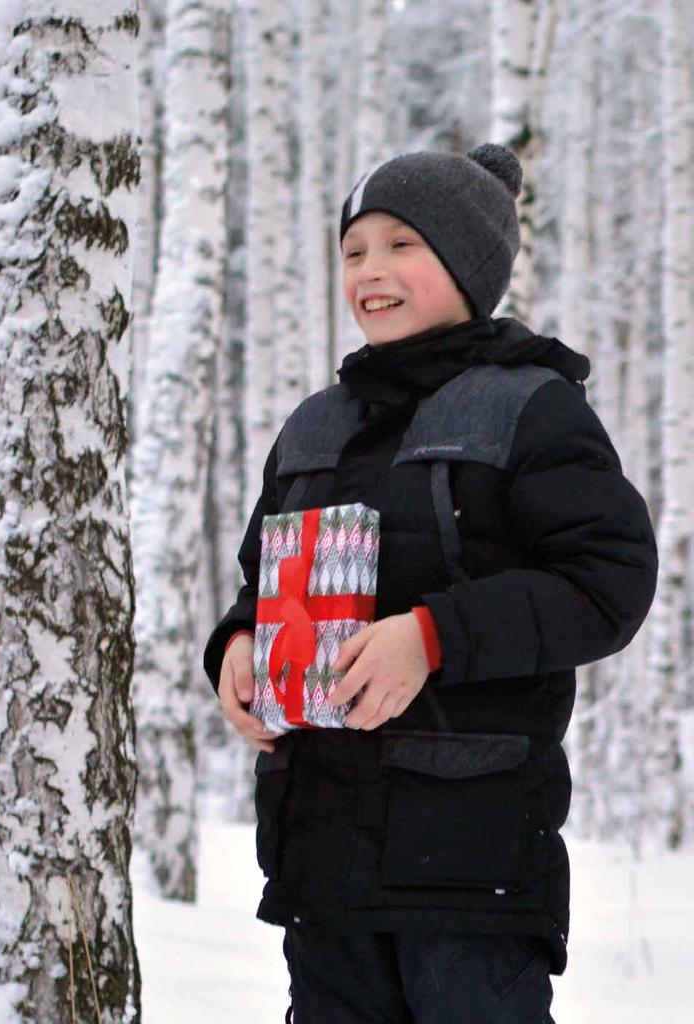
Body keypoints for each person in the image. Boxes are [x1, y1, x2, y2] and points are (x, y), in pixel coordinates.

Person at [203, 143, 659, 1023]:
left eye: (401, 243)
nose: (370, 270)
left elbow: (609, 583)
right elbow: (262, 579)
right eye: (352, 250)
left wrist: (433, 635)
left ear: (467, 261)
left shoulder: (530, 407)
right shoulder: (315, 425)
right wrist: (236, 645)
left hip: (471, 879)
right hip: (323, 869)